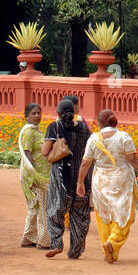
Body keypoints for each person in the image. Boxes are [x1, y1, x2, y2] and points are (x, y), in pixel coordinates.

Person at [76, 108, 138, 263]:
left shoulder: (94, 139)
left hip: (100, 182)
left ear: (99, 123)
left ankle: (108, 249)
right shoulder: (123, 137)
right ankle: (113, 242)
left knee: (104, 216)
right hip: (121, 180)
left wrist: (80, 182)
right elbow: (133, 160)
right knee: (125, 216)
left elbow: (85, 163)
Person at [42, 97, 92, 258]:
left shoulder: (54, 127)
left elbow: (44, 152)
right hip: (81, 177)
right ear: (75, 111)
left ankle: (57, 243)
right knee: (80, 214)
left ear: (57, 113)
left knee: (55, 209)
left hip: (60, 176)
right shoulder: (84, 129)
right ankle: (76, 250)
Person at [17, 103, 53, 249]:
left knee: (36, 207)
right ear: (26, 116)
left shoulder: (36, 131)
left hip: (41, 174)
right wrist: (35, 174)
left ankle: (28, 238)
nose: (37, 115)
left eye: (39, 113)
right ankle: (44, 241)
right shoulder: (28, 132)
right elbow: (27, 153)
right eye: (34, 113)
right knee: (43, 207)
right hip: (35, 176)